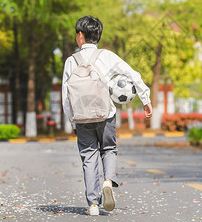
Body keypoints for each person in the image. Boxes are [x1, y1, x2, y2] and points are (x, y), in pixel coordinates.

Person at [62, 15, 153, 216]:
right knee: (109, 148)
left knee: (88, 156)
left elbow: (65, 95)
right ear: (98, 36)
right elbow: (133, 75)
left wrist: (72, 121)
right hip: (105, 114)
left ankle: (93, 204)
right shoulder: (107, 56)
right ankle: (108, 181)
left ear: (80, 36)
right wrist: (146, 99)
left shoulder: (71, 61)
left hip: (82, 117)